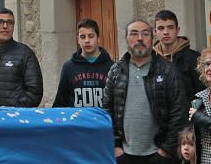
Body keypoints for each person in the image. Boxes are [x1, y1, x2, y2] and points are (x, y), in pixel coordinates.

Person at [103, 19, 187, 162]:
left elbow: (179, 112)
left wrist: (166, 150)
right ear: (126, 39)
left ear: (152, 38)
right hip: (124, 155)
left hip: (159, 155)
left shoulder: (168, 70)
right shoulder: (116, 71)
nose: (140, 38)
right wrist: (116, 146)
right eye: (134, 34)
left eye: (145, 34)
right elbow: (106, 111)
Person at [53, 18, 115, 108]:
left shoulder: (112, 67)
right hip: (76, 121)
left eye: (91, 36)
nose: (87, 40)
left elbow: (117, 102)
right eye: (83, 37)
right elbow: (60, 101)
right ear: (78, 40)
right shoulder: (69, 67)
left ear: (98, 38)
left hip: (103, 121)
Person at [155, 9, 203, 101]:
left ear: (177, 30)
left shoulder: (194, 58)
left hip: (186, 113)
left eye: (170, 27)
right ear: (155, 32)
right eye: (161, 28)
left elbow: (202, 93)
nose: (166, 32)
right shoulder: (151, 59)